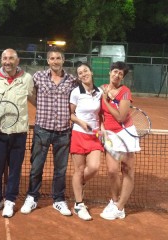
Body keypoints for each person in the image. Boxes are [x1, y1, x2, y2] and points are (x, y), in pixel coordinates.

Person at [20, 47, 77, 216]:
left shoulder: (72, 80)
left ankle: (59, 200)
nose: (55, 61)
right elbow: (28, 92)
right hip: (42, 129)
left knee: (61, 170)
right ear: (48, 61)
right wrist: (40, 106)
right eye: (52, 58)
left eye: (58, 58)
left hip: (63, 131)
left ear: (63, 60)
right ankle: (32, 197)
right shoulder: (37, 77)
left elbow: (86, 90)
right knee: (36, 167)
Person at [0, 48, 35, 218]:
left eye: (11, 58)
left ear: (17, 60)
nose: (8, 61)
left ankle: (10, 201)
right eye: (5, 58)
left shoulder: (27, 79)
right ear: (1, 60)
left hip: (19, 132)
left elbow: (36, 99)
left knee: (15, 169)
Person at [99, 61, 140, 220]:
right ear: (110, 72)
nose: (116, 75)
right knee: (112, 170)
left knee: (128, 170)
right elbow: (98, 112)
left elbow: (121, 117)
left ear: (123, 77)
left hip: (125, 133)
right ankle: (114, 201)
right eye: (115, 71)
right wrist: (101, 125)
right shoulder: (102, 88)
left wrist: (107, 100)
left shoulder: (125, 92)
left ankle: (120, 207)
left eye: (120, 74)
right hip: (109, 135)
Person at [69, 63, 103, 220]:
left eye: (85, 71)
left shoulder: (100, 92)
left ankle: (78, 184)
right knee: (79, 169)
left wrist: (101, 128)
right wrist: (82, 123)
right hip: (78, 134)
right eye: (80, 73)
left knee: (94, 167)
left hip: (95, 135)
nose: (83, 74)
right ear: (78, 76)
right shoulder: (76, 92)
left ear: (91, 72)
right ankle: (78, 204)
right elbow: (70, 114)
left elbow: (102, 114)